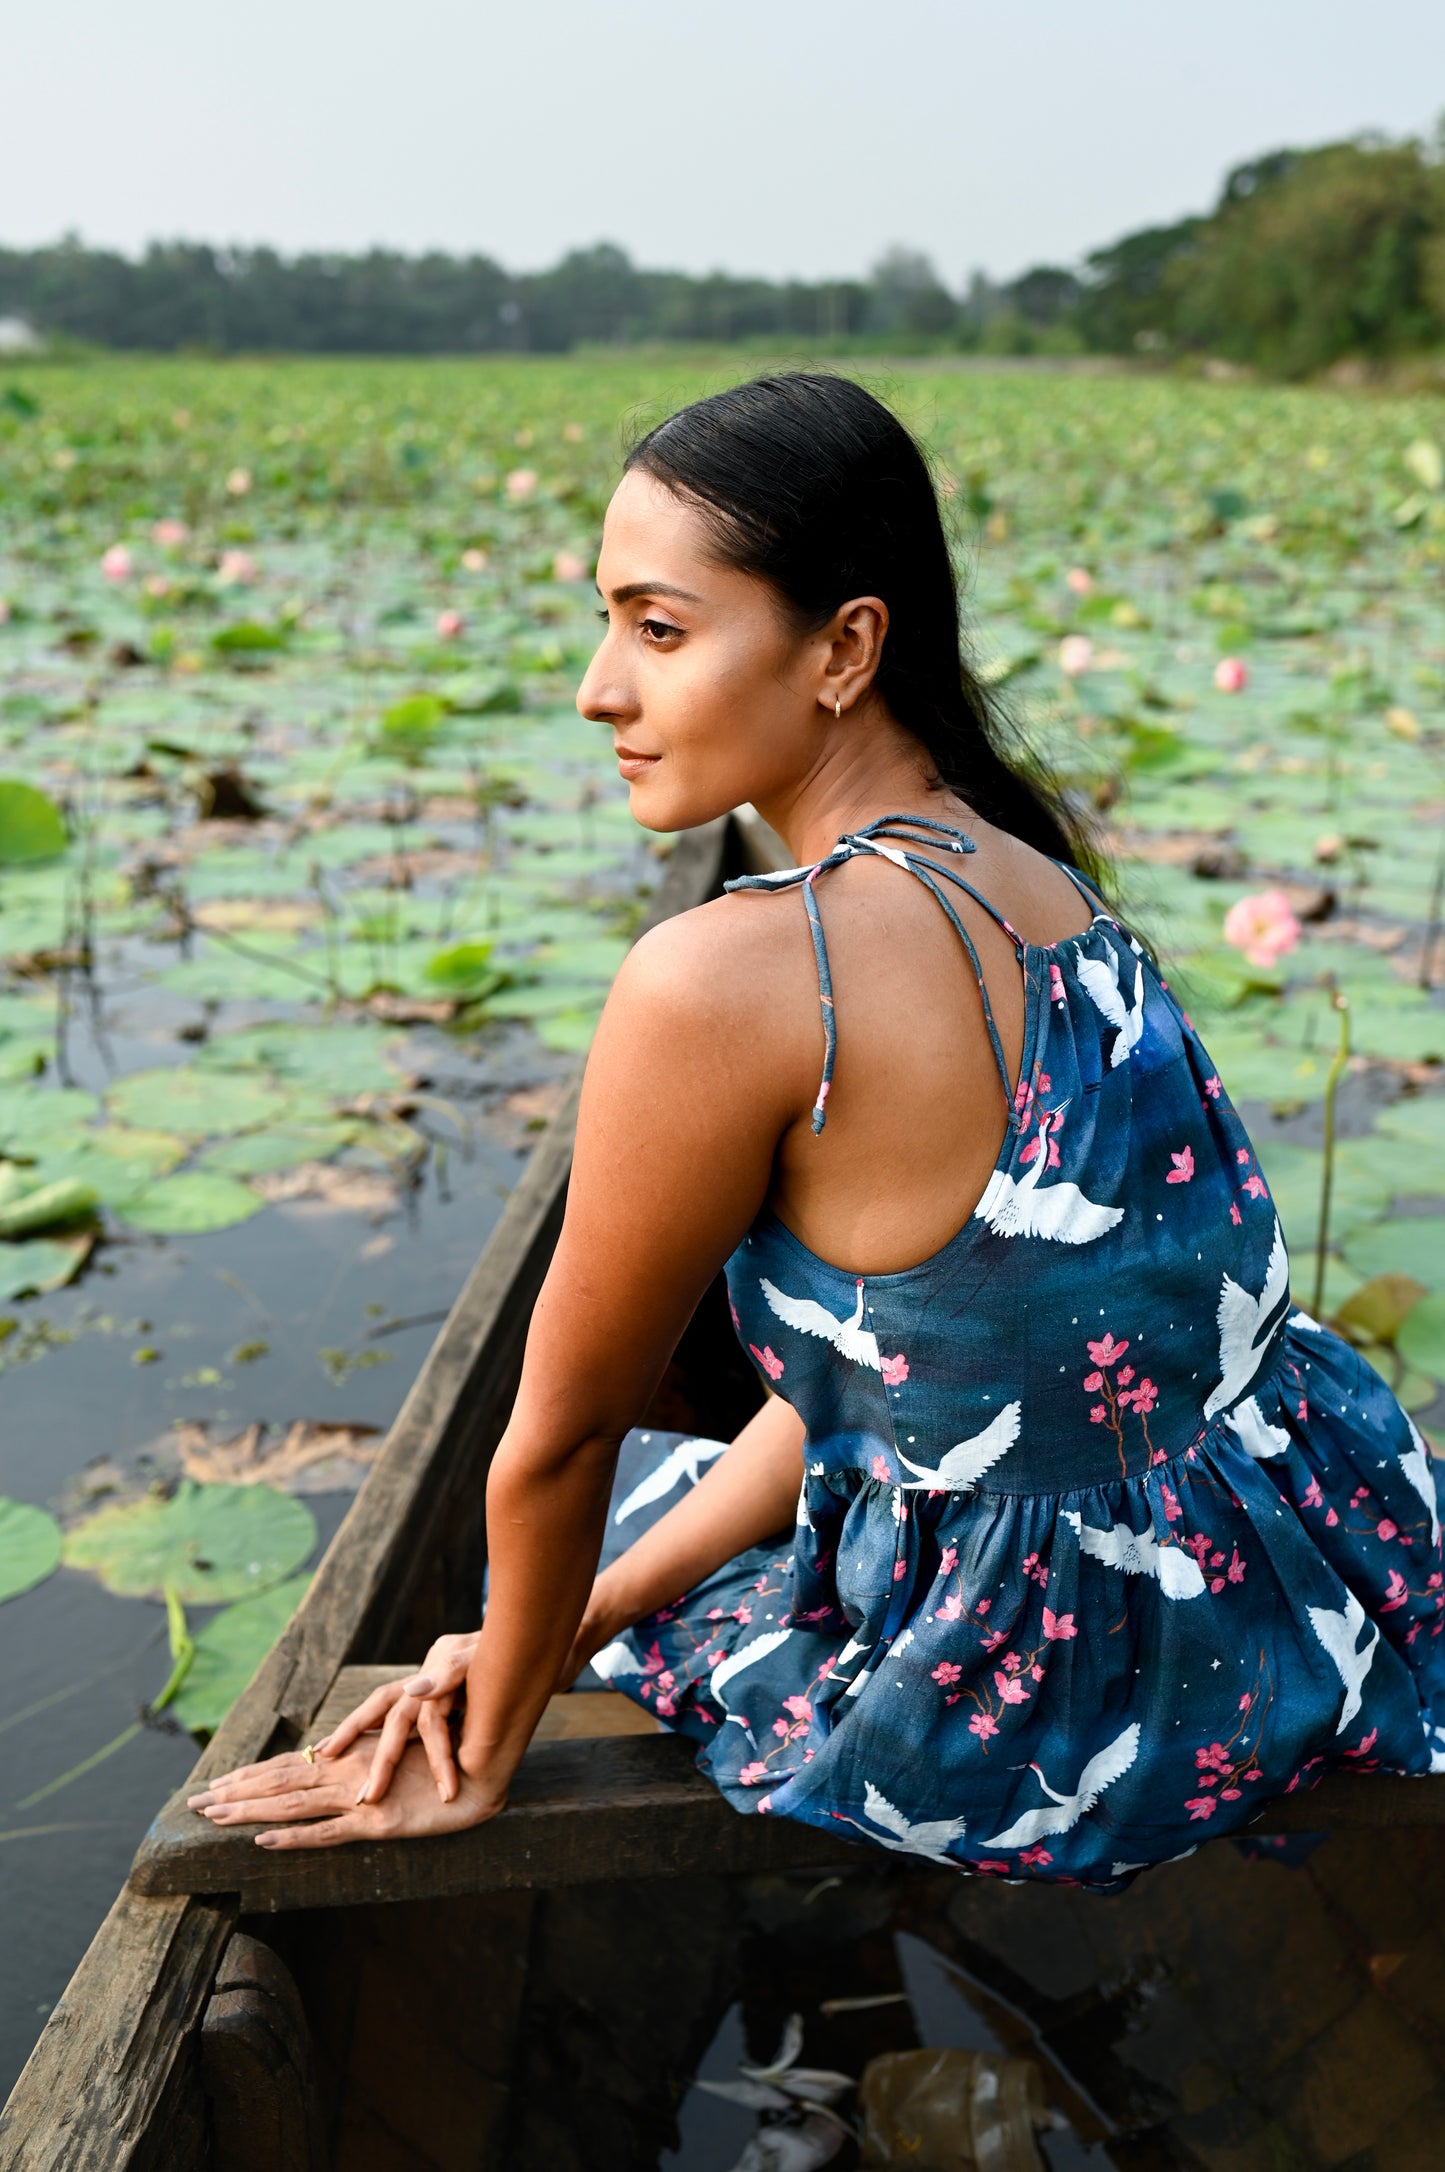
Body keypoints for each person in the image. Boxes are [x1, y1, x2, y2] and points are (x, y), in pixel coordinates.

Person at [191, 374, 1445, 1887]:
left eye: (656, 630)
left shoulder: (719, 980)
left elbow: (562, 1435)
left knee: (592, 1495)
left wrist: (499, 1718)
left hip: (1060, 1695)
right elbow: (934, 1366)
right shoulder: (1043, 879)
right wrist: (585, 1608)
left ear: (845, 645)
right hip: (1304, 1570)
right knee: (621, 1551)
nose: (599, 687)